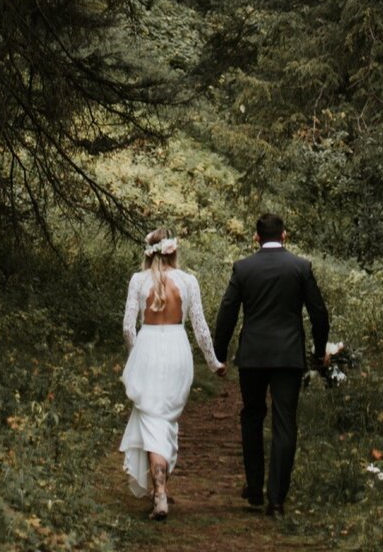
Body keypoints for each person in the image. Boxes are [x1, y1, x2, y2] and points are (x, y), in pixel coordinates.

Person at [212, 212, 329, 517]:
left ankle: (254, 487)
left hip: (252, 355)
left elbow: (227, 312)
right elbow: (319, 312)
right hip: (288, 356)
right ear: (285, 236)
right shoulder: (300, 267)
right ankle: (276, 499)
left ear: (256, 238)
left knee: (251, 415)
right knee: (284, 422)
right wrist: (318, 350)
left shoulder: (243, 268)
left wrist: (219, 352)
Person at [120, 227, 225, 519]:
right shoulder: (188, 281)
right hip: (178, 351)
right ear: (173, 251)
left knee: (152, 418)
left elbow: (129, 327)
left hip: (148, 347)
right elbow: (200, 328)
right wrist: (214, 362)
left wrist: (134, 356)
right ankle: (160, 491)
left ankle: (160, 494)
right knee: (164, 419)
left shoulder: (138, 281)